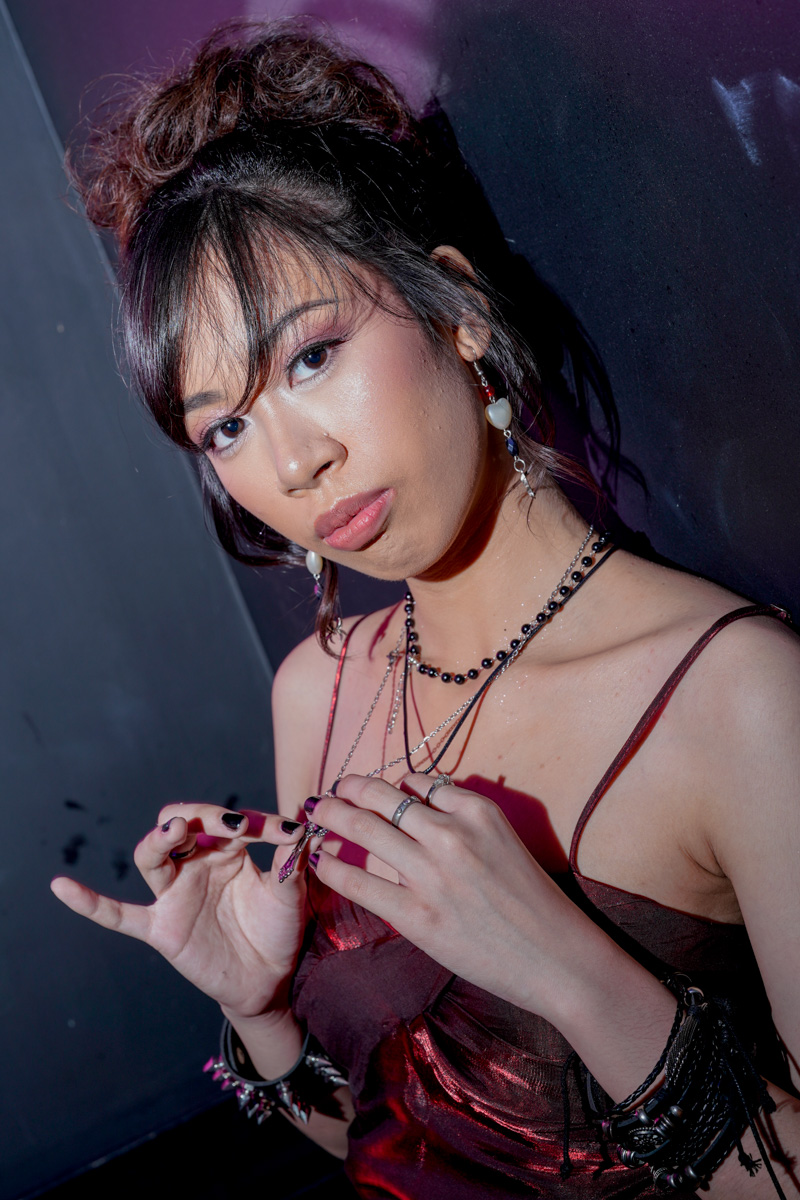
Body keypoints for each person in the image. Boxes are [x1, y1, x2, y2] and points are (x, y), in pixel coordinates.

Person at [51, 19, 800, 1198]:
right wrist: (261, 1013)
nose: (290, 462)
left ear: (453, 305)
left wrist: (568, 972)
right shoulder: (317, 691)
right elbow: (382, 1142)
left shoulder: (737, 697)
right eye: (226, 426)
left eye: (310, 357)